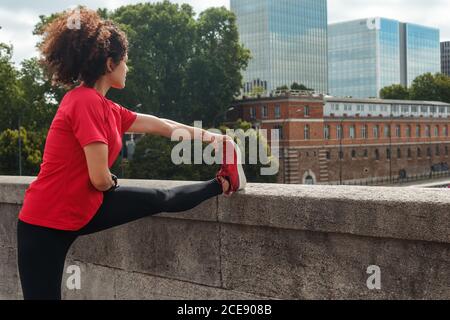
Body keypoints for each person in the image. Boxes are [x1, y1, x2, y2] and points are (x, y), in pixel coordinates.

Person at [17, 8, 246, 300]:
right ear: (110, 63)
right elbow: (99, 178)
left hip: (78, 211)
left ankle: (225, 182)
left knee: (160, 199)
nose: (128, 68)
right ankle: (223, 183)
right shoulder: (85, 102)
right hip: (43, 225)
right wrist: (112, 185)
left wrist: (211, 138)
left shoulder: (107, 108)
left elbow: (161, 125)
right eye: (125, 61)